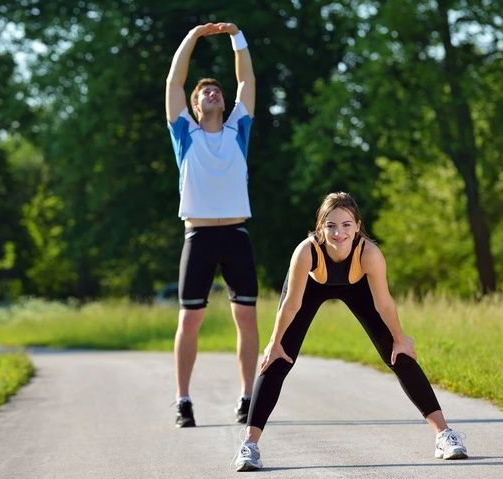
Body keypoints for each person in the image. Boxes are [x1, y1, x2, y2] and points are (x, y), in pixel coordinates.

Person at [234, 191, 468, 471]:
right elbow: (291, 304)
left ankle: (444, 435)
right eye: (331, 225)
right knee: (277, 359)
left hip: (357, 287)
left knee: (399, 355)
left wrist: (399, 338)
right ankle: (250, 446)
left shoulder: (369, 253)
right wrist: (274, 342)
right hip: (310, 288)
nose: (338, 232)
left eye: (346, 225)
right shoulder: (307, 251)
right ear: (320, 227)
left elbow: (384, 303)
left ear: (357, 226)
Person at [165, 23, 259, 428]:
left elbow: (247, 78)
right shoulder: (184, 132)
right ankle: (183, 401)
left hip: (236, 235)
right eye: (204, 91)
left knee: (247, 318)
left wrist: (237, 37)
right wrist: (195, 36)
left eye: (216, 90)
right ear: (194, 104)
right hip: (198, 235)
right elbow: (173, 79)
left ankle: (247, 397)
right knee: (189, 320)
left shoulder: (239, 127)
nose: (213, 92)